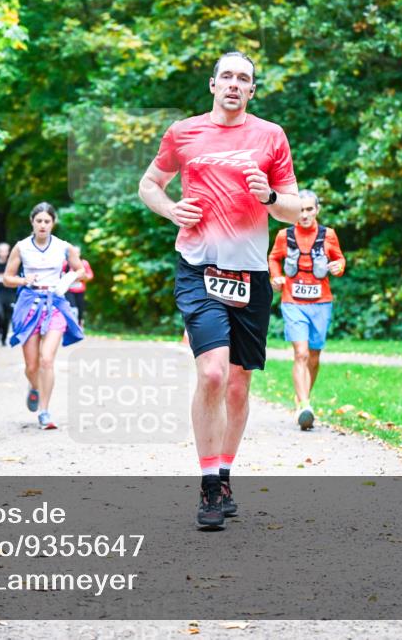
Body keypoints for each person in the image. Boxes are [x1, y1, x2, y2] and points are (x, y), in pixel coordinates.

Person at [139, 51, 303, 530]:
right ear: (212, 84)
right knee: (211, 373)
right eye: (226, 76)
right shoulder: (183, 132)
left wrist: (268, 196)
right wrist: (171, 210)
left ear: (252, 89)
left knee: (237, 383)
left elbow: (293, 209)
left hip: (250, 273)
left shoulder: (271, 136)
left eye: (243, 78)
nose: (234, 84)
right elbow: (150, 184)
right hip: (198, 267)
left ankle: (225, 473)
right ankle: (209, 485)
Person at [267, 190, 345, 431]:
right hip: (293, 302)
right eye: (300, 210)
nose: (304, 214)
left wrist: (338, 267)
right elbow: (274, 258)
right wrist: (276, 277)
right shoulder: (284, 235)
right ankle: (304, 405)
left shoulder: (328, 235)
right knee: (300, 354)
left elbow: (340, 260)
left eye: (309, 209)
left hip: (321, 303)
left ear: (317, 210)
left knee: (313, 356)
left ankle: (303, 402)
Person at [3, 203, 85, 430]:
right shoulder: (21, 247)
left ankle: (44, 412)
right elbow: (7, 278)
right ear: (32, 222)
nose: (42, 225)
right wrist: (23, 280)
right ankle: (34, 387)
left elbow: (81, 271)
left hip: (55, 304)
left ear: (53, 223)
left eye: (47, 221)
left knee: (47, 359)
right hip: (29, 304)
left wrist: (67, 280)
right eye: (38, 221)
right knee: (32, 366)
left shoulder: (63, 247)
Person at [61, 246, 94, 327]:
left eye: (77, 253)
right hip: (69, 290)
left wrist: (82, 277)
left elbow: (90, 276)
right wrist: (68, 278)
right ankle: (72, 325)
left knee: (80, 309)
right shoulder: (65, 263)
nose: (75, 255)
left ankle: (80, 325)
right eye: (73, 253)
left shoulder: (84, 263)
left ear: (79, 254)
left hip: (80, 290)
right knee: (72, 308)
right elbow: (60, 275)